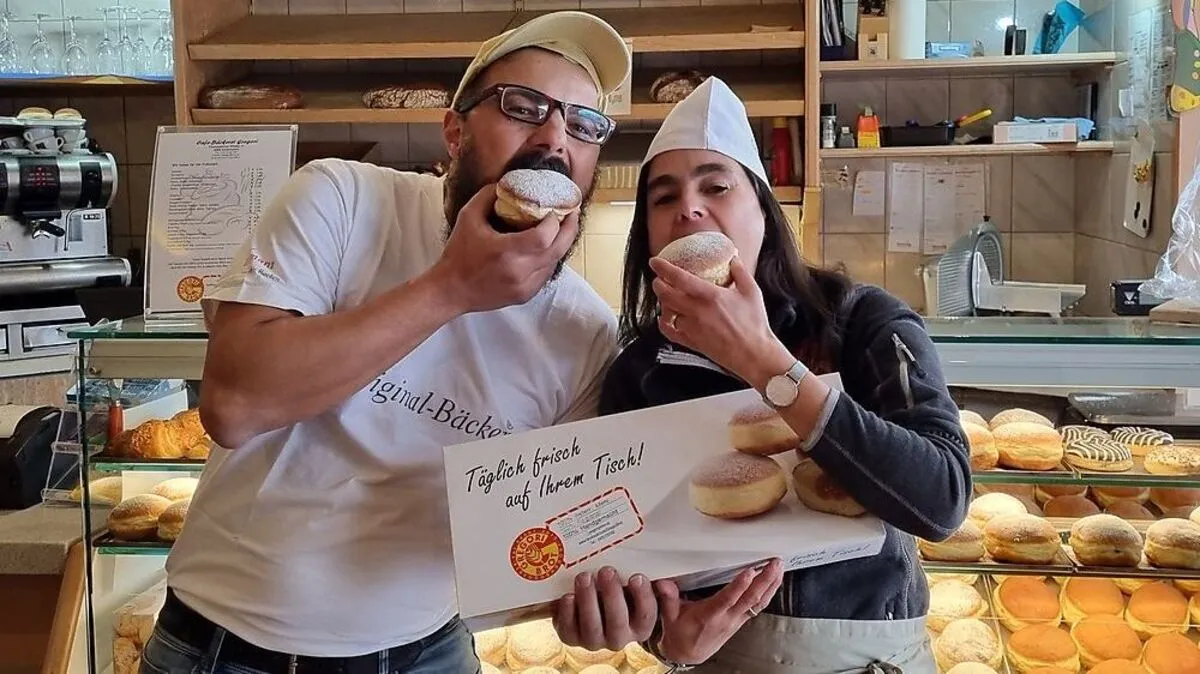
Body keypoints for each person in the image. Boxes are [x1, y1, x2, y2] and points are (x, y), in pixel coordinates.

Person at [138, 12, 631, 674]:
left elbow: (543, 536)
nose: (553, 137)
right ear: (455, 131)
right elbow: (234, 402)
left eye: (583, 125)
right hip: (227, 649)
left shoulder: (586, 333)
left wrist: (616, 606)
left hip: (428, 650)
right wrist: (450, 288)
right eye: (524, 106)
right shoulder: (341, 199)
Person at [552, 78, 972, 674]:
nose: (688, 209)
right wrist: (662, 640)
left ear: (764, 211)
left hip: (873, 657)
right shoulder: (638, 374)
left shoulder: (863, 323)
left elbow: (941, 503)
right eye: (663, 198)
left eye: (716, 186)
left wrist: (763, 361)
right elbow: (629, 560)